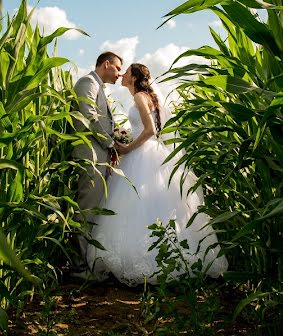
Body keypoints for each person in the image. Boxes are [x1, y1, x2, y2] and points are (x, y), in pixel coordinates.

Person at [86, 63, 228, 285]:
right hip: (152, 152)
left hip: (142, 153)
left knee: (135, 206)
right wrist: (126, 135)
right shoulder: (146, 96)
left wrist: (127, 148)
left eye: (126, 72)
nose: (122, 75)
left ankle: (145, 262)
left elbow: (150, 130)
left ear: (134, 77)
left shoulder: (140, 97)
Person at [72, 51, 123, 269]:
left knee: (94, 210)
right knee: (87, 210)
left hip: (98, 156)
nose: (119, 74)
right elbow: (89, 115)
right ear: (106, 64)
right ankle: (80, 266)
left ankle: (88, 262)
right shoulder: (87, 82)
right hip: (90, 155)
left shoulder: (99, 86)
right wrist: (110, 143)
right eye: (118, 68)